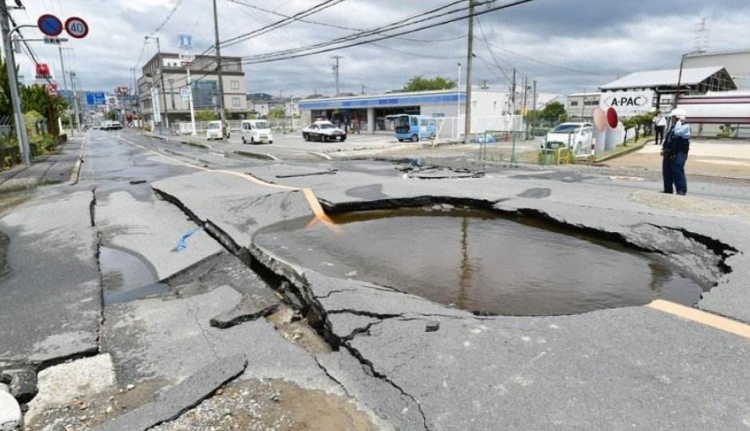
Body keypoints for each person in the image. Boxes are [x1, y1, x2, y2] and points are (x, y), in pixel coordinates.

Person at [661, 108, 691, 195]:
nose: (672, 119)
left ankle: (681, 190)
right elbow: (668, 138)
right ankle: (668, 189)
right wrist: (664, 148)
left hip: (680, 152)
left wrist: (679, 122)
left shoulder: (685, 126)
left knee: (677, 170)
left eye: (673, 117)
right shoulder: (674, 126)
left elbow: (677, 133)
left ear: (678, 117)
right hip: (670, 151)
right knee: (667, 170)